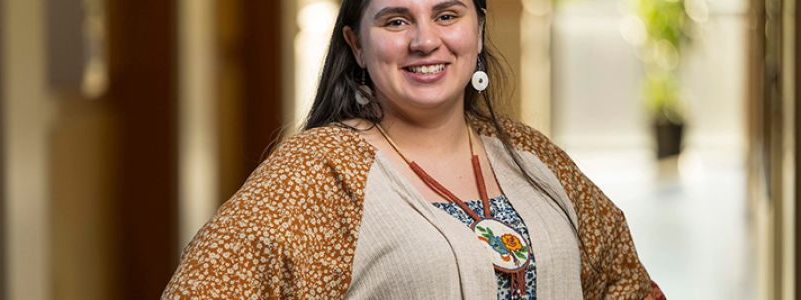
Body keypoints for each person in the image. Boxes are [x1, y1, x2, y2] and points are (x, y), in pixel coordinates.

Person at [163, 0, 666, 299]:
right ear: (356, 44)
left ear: (479, 28)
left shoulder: (530, 155)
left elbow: (623, 283)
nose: (426, 41)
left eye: (447, 14)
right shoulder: (318, 174)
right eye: (396, 21)